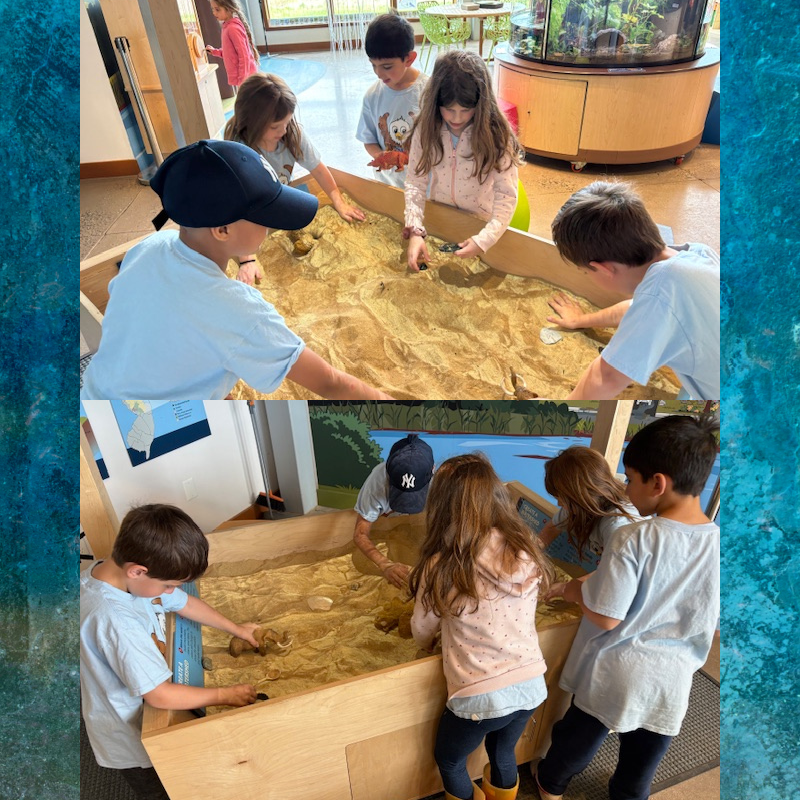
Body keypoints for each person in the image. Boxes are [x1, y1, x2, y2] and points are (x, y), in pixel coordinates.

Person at [80, 139, 392, 401]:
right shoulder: (238, 311)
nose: (271, 225)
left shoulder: (149, 246)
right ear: (222, 230)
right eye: (264, 216)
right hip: (146, 433)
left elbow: (151, 326)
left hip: (93, 397)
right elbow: (331, 383)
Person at [534, 415, 720, 800]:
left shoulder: (633, 536)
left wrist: (572, 590)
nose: (626, 489)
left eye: (631, 479)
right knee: (639, 769)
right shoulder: (718, 542)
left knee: (576, 741)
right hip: (673, 679)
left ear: (657, 483)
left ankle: (549, 786)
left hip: (619, 671)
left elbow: (607, 614)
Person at [80, 504, 259, 800]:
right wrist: (224, 695)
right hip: (131, 736)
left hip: (139, 698)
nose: (169, 591)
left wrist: (237, 629)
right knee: (164, 789)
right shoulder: (116, 621)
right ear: (137, 571)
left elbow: (183, 603)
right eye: (167, 585)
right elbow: (159, 695)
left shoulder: (118, 573)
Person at [410, 453, 556, 800]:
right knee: (503, 752)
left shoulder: (442, 564)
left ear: (441, 506)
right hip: (530, 684)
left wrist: (428, 641)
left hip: (479, 694)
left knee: (449, 760)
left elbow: (421, 628)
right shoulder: (523, 550)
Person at [545, 181, 720, 400]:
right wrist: (582, 320)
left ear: (604, 269)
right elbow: (638, 309)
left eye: (586, 272)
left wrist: (560, 410)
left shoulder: (661, 294)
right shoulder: (695, 256)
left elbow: (605, 378)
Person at [225, 72, 366, 286]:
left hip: (277, 195)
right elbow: (237, 208)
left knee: (306, 206)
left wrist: (338, 201)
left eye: (287, 122)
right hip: (249, 209)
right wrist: (247, 259)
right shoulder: (239, 149)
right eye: (275, 127)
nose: (283, 130)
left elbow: (318, 169)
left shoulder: (291, 133)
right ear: (252, 123)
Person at [403, 50, 522, 272]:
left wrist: (484, 239)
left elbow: (506, 195)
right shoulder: (426, 128)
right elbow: (415, 182)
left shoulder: (496, 135)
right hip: (441, 217)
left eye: (466, 110)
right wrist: (415, 230)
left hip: (481, 221)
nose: (456, 118)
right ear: (436, 102)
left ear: (481, 103)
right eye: (449, 109)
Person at [538, 446, 644, 567]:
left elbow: (616, 570)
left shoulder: (618, 525)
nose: (559, 504)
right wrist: (531, 555)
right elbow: (552, 528)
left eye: (563, 500)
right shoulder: (578, 507)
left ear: (582, 496)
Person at [356, 11, 428, 189]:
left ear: (409, 59)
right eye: (373, 65)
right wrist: (380, 156)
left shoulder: (429, 91)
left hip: (424, 186)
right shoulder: (372, 96)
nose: (378, 73)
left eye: (387, 66)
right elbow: (369, 139)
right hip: (388, 184)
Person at [353, 433, 434, 589]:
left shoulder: (438, 481)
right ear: (388, 469)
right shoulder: (376, 484)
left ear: (433, 469)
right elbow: (360, 534)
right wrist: (385, 564)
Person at [205, 0, 260, 90]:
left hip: (246, 77)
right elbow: (230, 52)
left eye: (217, 9)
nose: (214, 13)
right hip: (243, 77)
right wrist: (215, 51)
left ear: (229, 8)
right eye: (213, 9)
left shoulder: (233, 28)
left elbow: (244, 56)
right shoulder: (227, 26)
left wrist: (242, 80)